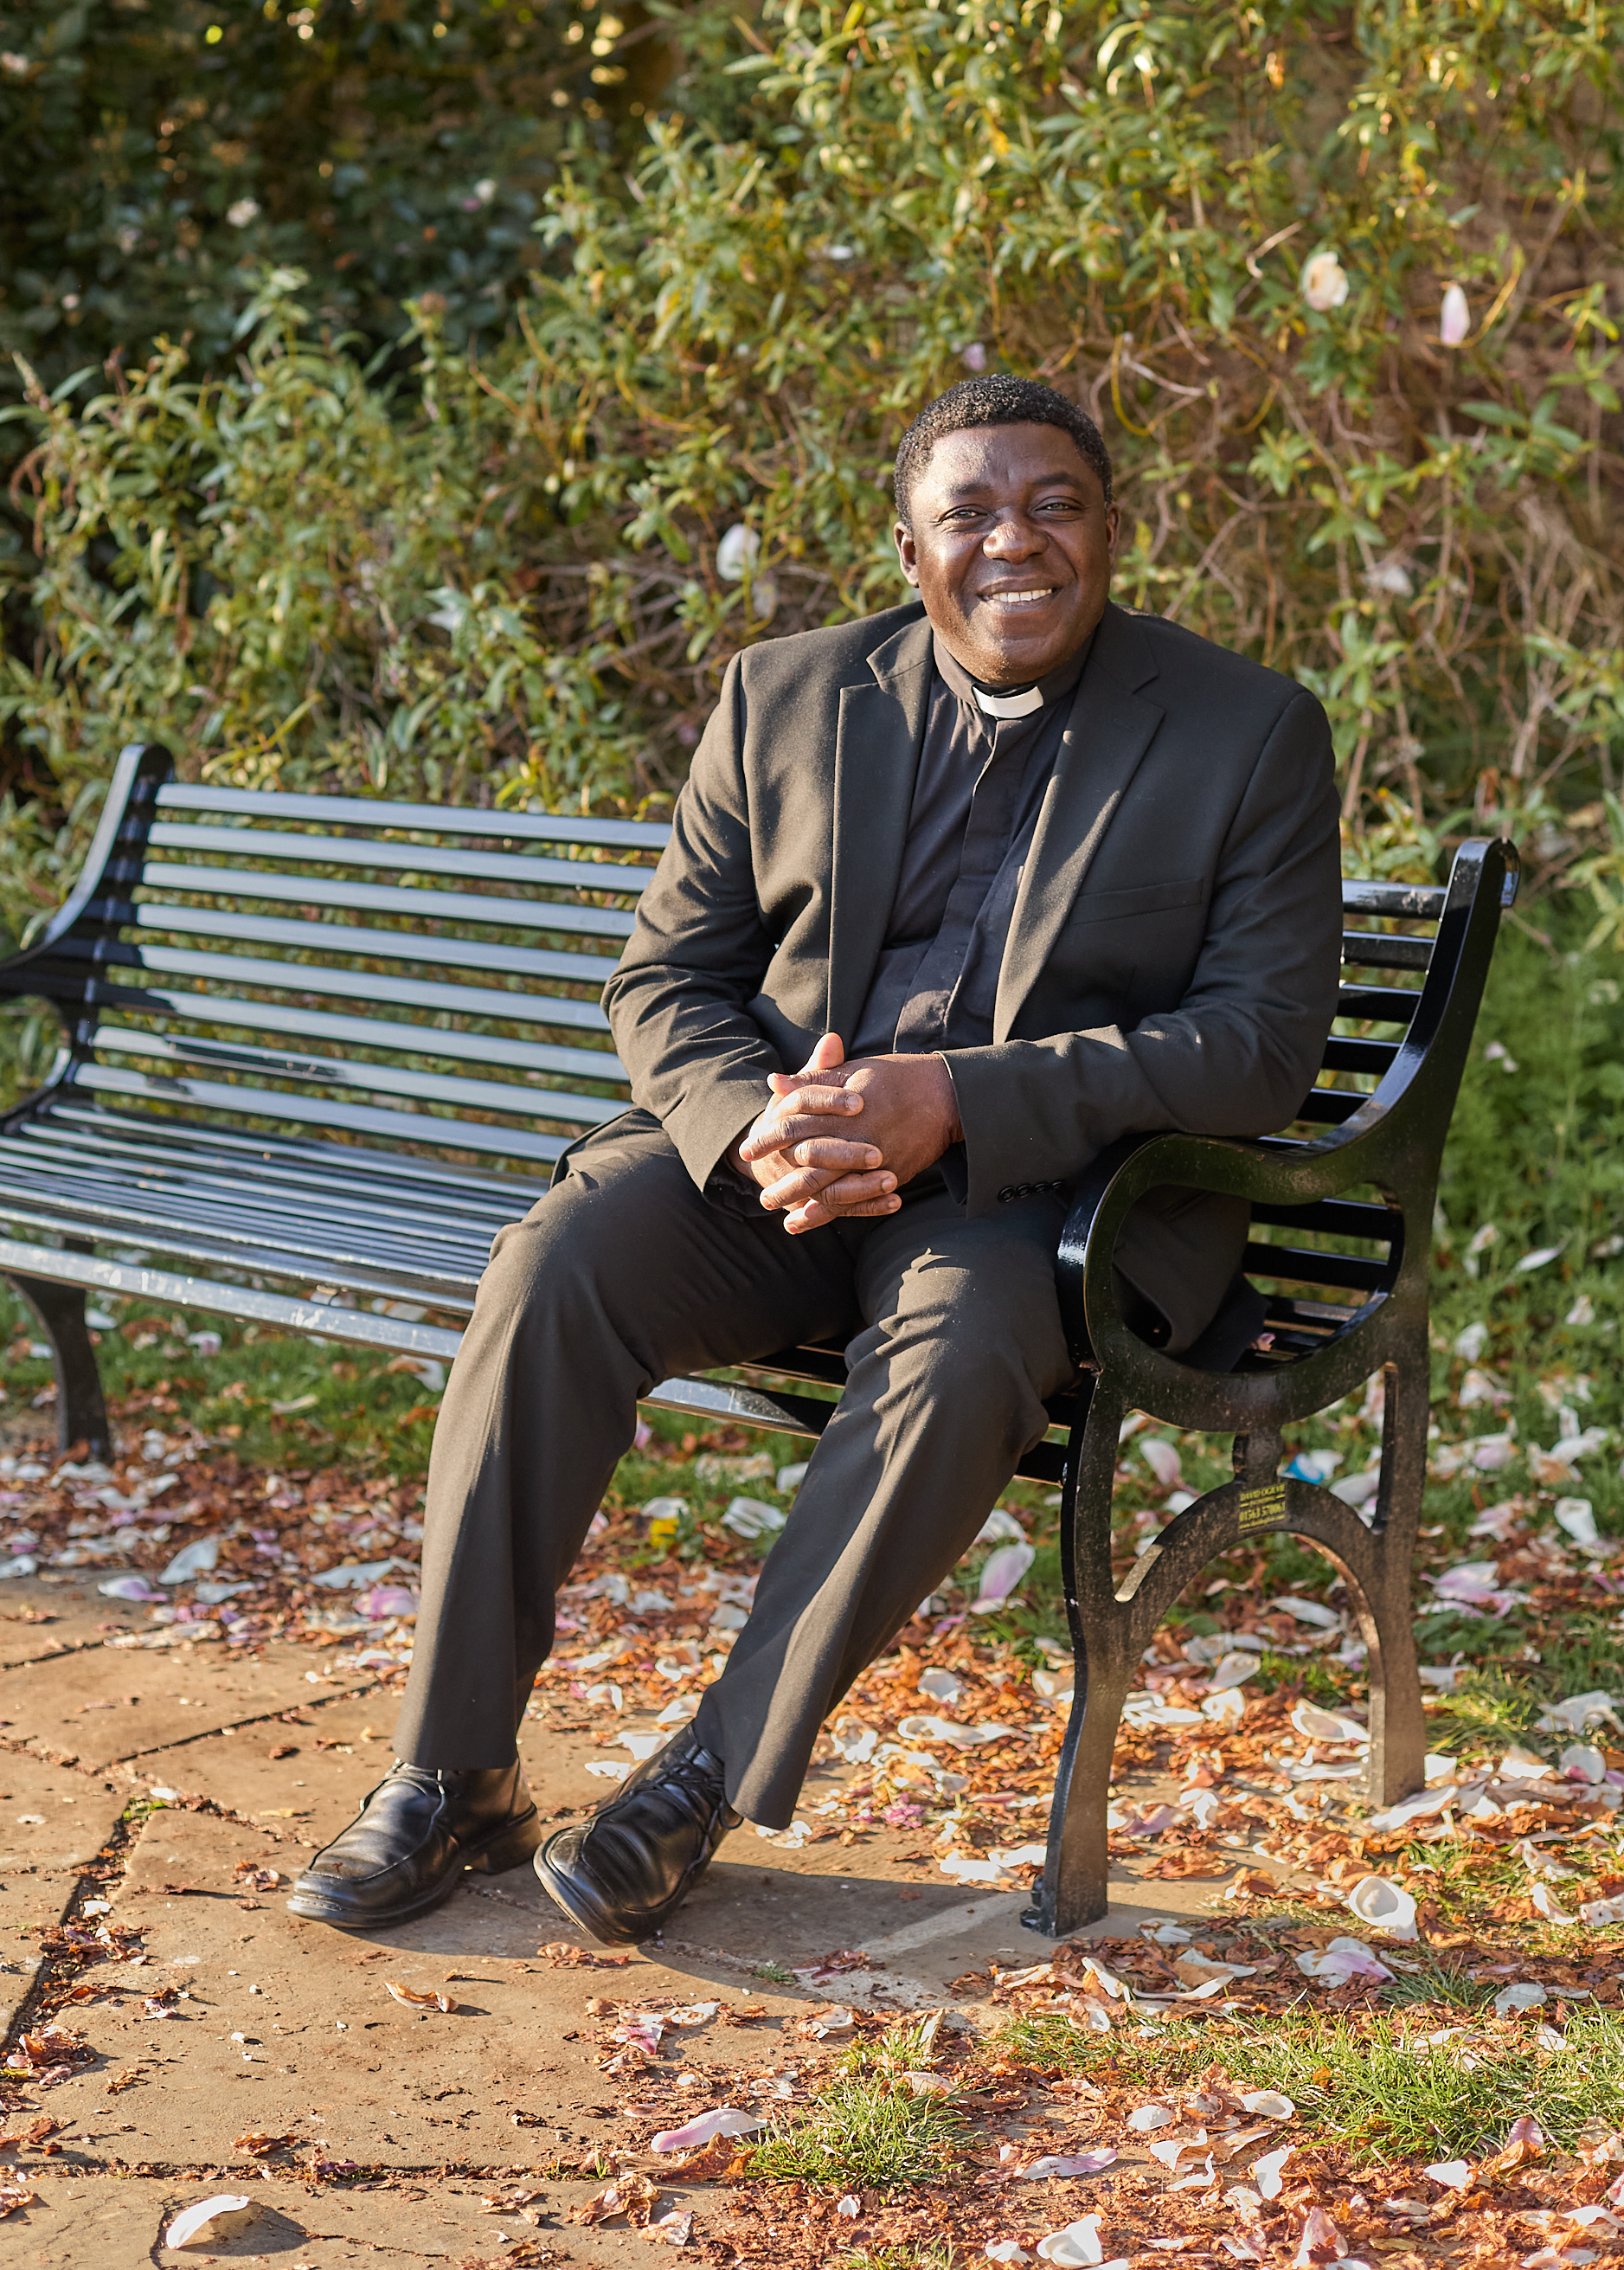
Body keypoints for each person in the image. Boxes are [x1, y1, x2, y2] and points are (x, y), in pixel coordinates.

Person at [288, 372, 1342, 1943]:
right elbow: (663, 979)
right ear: (909, 548)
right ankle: (453, 1772)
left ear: (1111, 529)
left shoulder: (1244, 730)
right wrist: (749, 1118)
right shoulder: (785, 695)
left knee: (964, 1350)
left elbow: (1257, 1044)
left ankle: (706, 1774)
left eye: (1054, 504)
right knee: (554, 1266)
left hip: (1041, 1201)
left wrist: (964, 1101)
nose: (1017, 544)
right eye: (969, 513)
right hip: (778, 1170)